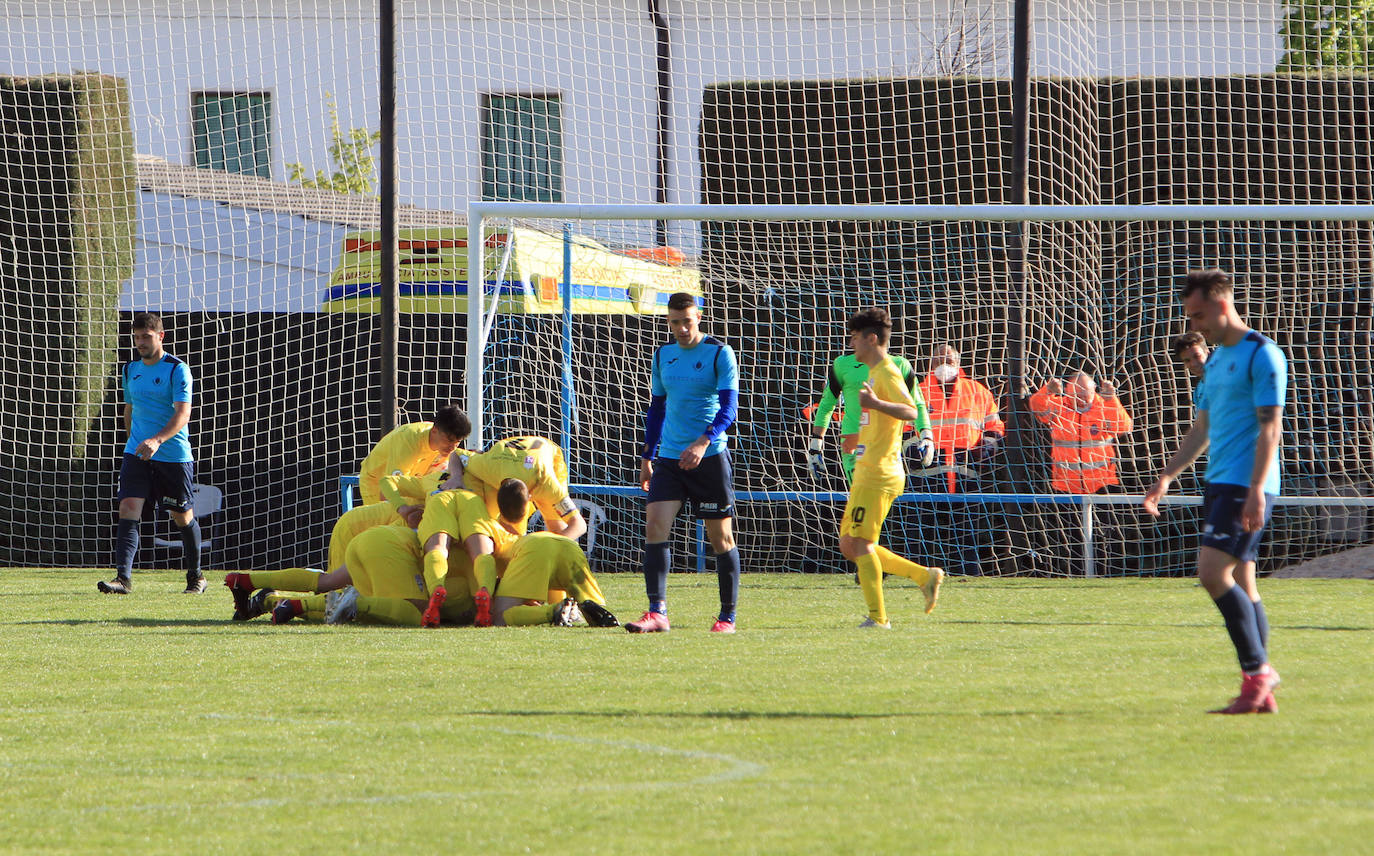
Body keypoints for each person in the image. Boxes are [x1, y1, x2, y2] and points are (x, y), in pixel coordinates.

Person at [1144, 268, 1287, 715]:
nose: (1194, 325)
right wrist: (1167, 476)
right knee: (1242, 579)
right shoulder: (1217, 364)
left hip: (1247, 484)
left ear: (1222, 305)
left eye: (1198, 315)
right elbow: (1200, 430)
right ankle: (1260, 689)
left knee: (1210, 572)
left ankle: (1258, 672)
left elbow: (1271, 429)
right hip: (1219, 481)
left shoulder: (1262, 354)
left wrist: (1257, 489)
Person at [626, 292, 741, 634]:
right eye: (675, 322)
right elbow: (657, 409)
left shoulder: (719, 353)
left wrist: (703, 442)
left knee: (720, 538)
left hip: (710, 458)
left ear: (699, 317)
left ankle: (727, 618)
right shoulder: (663, 355)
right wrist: (648, 456)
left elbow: (729, 409)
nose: (681, 328)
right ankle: (657, 612)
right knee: (654, 526)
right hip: (670, 459)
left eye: (687, 321)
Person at [836, 309, 944, 628]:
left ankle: (878, 618)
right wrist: (858, 438)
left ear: (871, 339)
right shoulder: (873, 373)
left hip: (879, 472)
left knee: (860, 544)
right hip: (867, 468)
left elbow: (910, 410)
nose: (851, 344)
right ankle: (923, 576)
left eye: (855, 338)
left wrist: (876, 404)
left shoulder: (887, 372)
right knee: (849, 544)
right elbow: (880, 422)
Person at [98, 312, 204, 595]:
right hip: (137, 454)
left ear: (160, 336)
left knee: (182, 516)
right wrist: (133, 443)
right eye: (136, 337)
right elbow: (129, 408)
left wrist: (157, 440)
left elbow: (183, 414)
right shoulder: (130, 369)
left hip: (172, 456)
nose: (140, 342)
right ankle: (123, 579)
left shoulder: (177, 369)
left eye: (146, 336)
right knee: (128, 508)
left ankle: (196, 577)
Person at [908, 344, 1004, 576]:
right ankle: (918, 576)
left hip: (967, 472)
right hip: (927, 474)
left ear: (958, 363)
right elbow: (902, 430)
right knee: (921, 533)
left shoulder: (977, 391)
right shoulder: (917, 391)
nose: (944, 364)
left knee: (968, 533)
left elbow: (995, 426)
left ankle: (968, 577)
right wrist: (913, 452)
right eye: (938, 360)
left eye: (949, 360)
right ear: (930, 364)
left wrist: (987, 447)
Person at [806, 349, 931, 484]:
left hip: (888, 447)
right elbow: (826, 405)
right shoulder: (843, 364)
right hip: (854, 447)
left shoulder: (900, 364)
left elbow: (918, 404)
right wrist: (815, 444)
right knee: (865, 491)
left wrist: (927, 435)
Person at [1029, 371, 1133, 494]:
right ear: (1067, 391)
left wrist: (1112, 400)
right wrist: (1047, 390)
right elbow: (1037, 406)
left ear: (1094, 390)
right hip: (1065, 484)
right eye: (1077, 395)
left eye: (1086, 395)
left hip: (1102, 484)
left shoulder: (1105, 406)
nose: (1082, 400)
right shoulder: (1059, 407)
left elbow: (1123, 428)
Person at [491, 531, 619, 628]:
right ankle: (586, 606)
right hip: (570, 546)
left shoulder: (496, 556)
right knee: (591, 609)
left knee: (500, 616)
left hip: (534, 548)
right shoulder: (506, 539)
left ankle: (554, 611)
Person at [356, 405, 469, 505]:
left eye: (457, 442)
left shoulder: (446, 445)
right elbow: (388, 490)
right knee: (387, 516)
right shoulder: (408, 442)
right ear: (434, 430)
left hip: (413, 477)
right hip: (376, 481)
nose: (453, 447)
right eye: (449, 440)